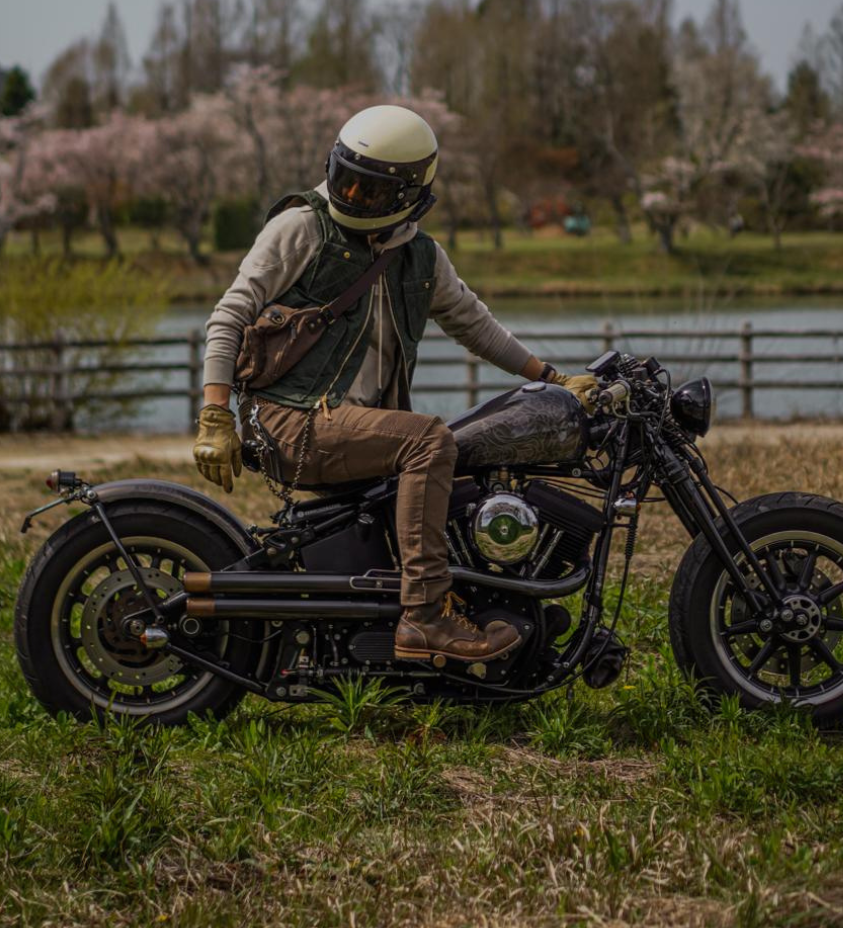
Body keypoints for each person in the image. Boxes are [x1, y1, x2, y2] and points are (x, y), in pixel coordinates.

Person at [193, 105, 596, 664]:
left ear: (411, 193)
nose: (353, 197)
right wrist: (215, 415)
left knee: (470, 456)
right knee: (429, 440)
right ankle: (426, 619)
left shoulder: (421, 256)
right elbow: (229, 315)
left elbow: (474, 324)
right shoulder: (303, 226)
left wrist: (553, 380)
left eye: (371, 190)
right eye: (347, 180)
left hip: (344, 427)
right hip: (292, 420)